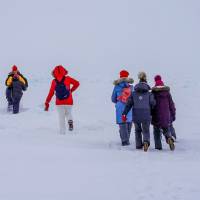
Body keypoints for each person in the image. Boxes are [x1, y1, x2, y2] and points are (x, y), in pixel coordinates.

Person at [122, 72, 156, 151]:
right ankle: (146, 142)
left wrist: (124, 114)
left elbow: (128, 104)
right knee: (146, 130)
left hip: (136, 114)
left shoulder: (133, 93)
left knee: (137, 130)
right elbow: (152, 103)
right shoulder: (149, 93)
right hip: (146, 113)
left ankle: (138, 145)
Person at [45, 65, 80, 134]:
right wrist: (71, 91)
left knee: (61, 117)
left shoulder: (54, 81)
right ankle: (70, 120)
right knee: (68, 113)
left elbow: (51, 93)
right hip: (69, 101)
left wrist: (47, 102)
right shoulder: (68, 78)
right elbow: (77, 83)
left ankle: (62, 132)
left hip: (59, 102)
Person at [151, 75, 176, 151]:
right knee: (166, 128)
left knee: (156, 131)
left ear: (155, 81)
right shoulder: (167, 92)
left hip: (156, 114)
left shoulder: (154, 92)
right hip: (166, 114)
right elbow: (171, 104)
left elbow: (151, 104)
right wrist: (173, 114)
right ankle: (169, 138)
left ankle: (158, 147)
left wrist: (151, 114)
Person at [111, 70, 134, 146]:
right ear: (127, 76)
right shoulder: (131, 87)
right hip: (129, 107)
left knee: (122, 123)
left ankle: (125, 141)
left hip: (120, 107)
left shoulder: (117, 86)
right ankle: (127, 139)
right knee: (129, 122)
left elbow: (113, 98)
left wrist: (118, 102)